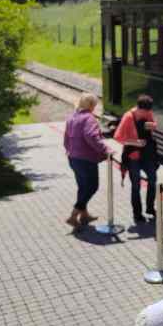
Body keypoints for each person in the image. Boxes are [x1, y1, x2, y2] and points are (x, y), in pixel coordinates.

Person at [62, 93, 111, 228]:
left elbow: (66, 138)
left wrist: (71, 150)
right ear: (90, 105)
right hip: (86, 160)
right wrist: (106, 150)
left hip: (73, 157)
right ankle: (73, 215)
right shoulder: (89, 118)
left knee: (82, 187)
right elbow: (92, 136)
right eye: (94, 105)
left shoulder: (72, 117)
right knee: (92, 187)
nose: (95, 107)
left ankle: (84, 215)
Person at [114, 93, 160, 225]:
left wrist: (151, 126)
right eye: (146, 111)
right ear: (139, 108)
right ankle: (137, 213)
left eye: (149, 111)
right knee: (136, 185)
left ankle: (150, 208)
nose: (147, 114)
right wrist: (136, 142)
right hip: (133, 156)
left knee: (153, 180)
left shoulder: (147, 113)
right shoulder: (128, 117)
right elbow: (117, 137)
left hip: (147, 155)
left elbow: (153, 124)